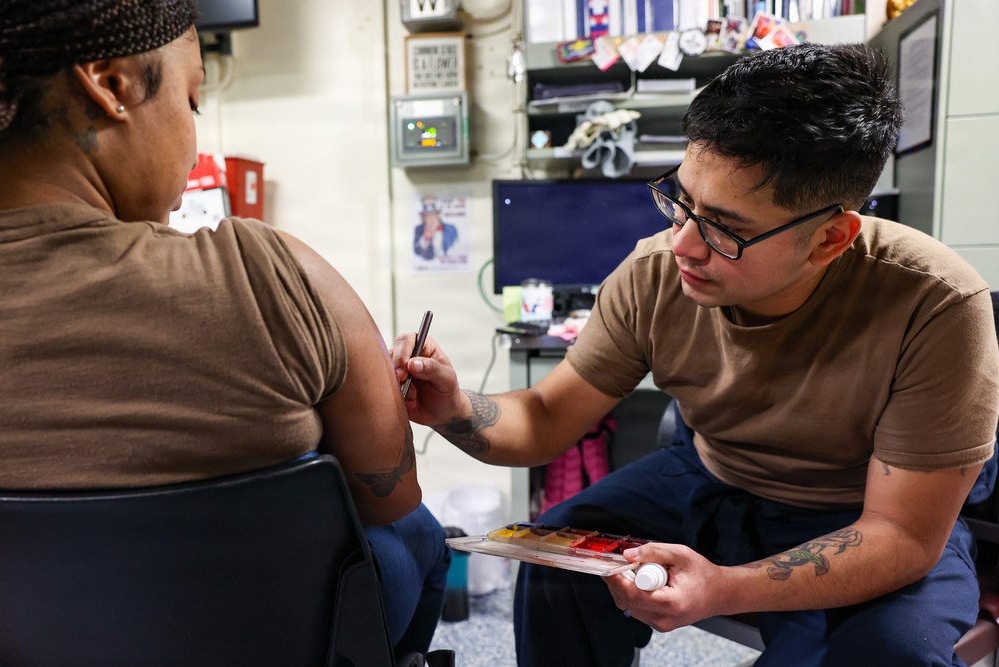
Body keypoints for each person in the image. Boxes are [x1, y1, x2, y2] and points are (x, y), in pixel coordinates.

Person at [394, 43, 999, 667]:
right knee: (557, 566)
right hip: (713, 474)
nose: (682, 242)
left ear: (828, 238)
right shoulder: (654, 273)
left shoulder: (936, 304)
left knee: (889, 653)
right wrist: (455, 407)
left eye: (724, 227)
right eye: (681, 201)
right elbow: (548, 416)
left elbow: (901, 535)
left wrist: (724, 588)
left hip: (865, 512)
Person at [0, 0, 448, 659]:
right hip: (260, 637)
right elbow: (389, 495)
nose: (193, 136)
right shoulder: (277, 277)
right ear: (111, 82)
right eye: (191, 98)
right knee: (416, 533)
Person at [414, 197, 459, 262]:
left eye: (433, 215)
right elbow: (417, 252)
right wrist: (425, 238)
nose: (430, 219)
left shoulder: (451, 229)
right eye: (427, 216)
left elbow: (455, 248)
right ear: (423, 218)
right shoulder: (418, 230)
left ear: (438, 215)